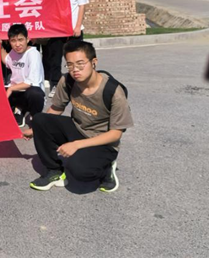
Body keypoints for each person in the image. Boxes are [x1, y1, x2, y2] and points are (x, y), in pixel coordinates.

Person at [28, 40, 133, 193]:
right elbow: (56, 108)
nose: (75, 70)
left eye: (80, 64)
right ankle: (54, 171)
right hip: (78, 129)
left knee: (79, 171)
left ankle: (106, 168)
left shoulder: (113, 91)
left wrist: (77, 145)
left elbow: (115, 134)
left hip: (103, 141)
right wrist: (35, 130)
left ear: (94, 62)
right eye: (70, 65)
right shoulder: (68, 81)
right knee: (39, 119)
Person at [45, 0, 89, 97]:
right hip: (56, 30)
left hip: (73, 30)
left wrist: (77, 26)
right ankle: (55, 86)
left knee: (76, 59)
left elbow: (82, 6)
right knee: (55, 60)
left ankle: (79, 85)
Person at [1, 24, 45, 128]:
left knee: (35, 93)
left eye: (20, 40)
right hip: (16, 92)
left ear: (27, 39)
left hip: (28, 92)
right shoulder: (13, 52)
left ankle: (35, 116)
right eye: (13, 41)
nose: (17, 44)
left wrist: (11, 88)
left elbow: (30, 83)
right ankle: (18, 109)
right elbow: (6, 59)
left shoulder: (33, 54)